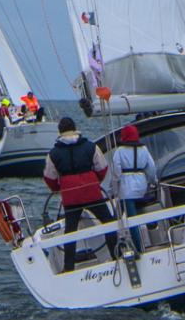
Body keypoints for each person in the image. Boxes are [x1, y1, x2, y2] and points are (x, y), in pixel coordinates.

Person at [43, 117, 119, 273]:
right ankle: (116, 255)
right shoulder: (90, 146)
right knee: (108, 222)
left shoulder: (53, 153)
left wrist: (59, 188)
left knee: (70, 231)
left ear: (60, 131)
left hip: (70, 196)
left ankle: (68, 267)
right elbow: (102, 168)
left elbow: (49, 178)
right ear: (75, 128)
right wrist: (94, 181)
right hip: (91, 191)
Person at [108, 124, 158, 253]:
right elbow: (151, 168)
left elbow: (116, 173)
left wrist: (113, 190)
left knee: (129, 221)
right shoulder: (144, 149)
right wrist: (153, 182)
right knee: (139, 213)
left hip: (126, 190)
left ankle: (137, 248)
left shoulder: (119, 151)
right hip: (142, 187)